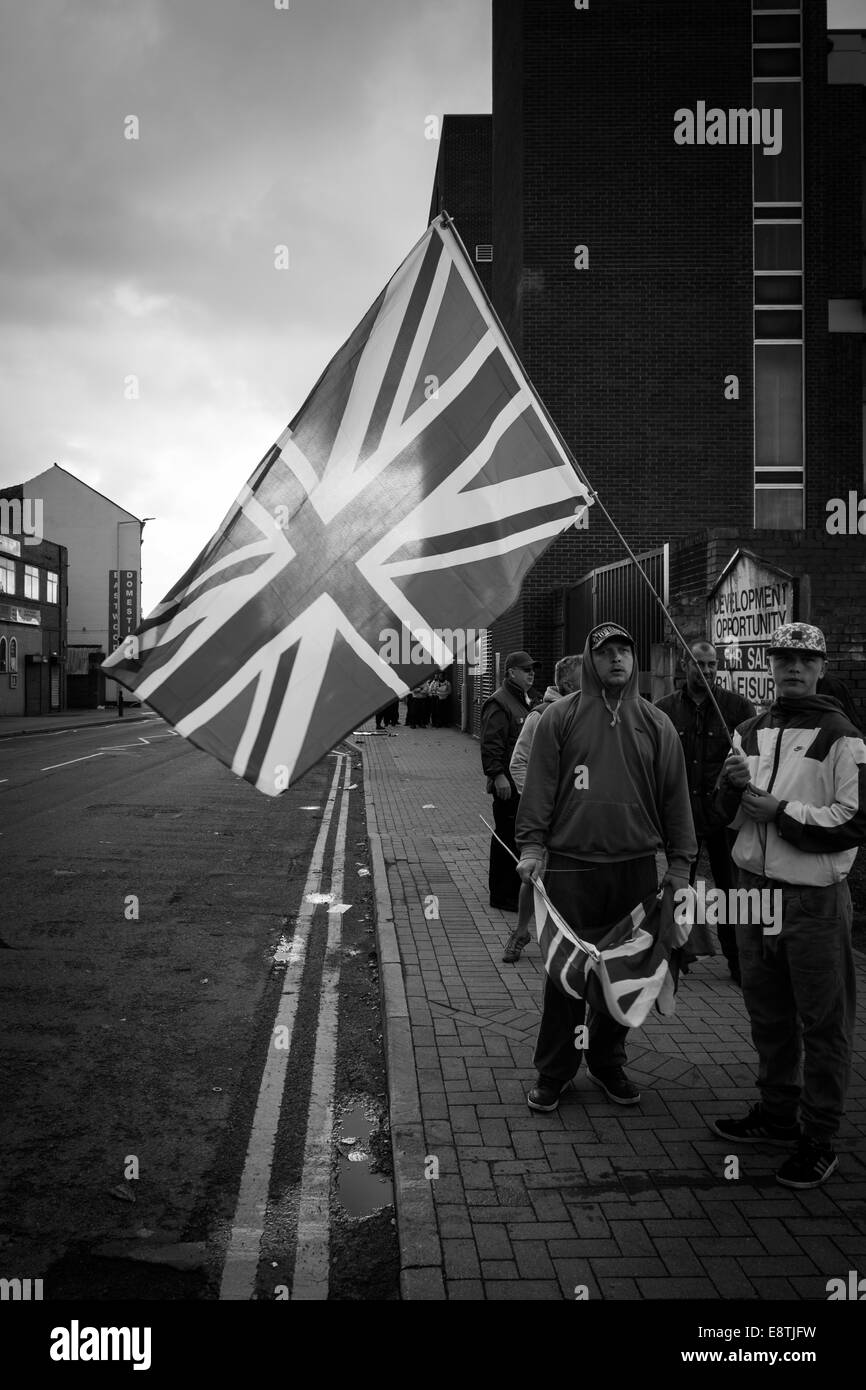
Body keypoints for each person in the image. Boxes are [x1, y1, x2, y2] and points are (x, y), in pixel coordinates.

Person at [709, 623, 866, 1188]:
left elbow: (856, 821)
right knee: (768, 1012)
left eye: (804, 659)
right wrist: (729, 789)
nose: (792, 668)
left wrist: (781, 812)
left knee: (823, 1022)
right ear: (769, 665)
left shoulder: (842, 736)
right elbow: (725, 816)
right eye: (782, 659)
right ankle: (777, 1115)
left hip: (814, 901)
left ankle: (818, 1136)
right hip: (752, 894)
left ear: (821, 667)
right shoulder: (747, 729)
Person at [515, 622, 696, 1111]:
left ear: (634, 661)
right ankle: (555, 1071)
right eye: (605, 652)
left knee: (627, 974)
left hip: (636, 871)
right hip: (572, 869)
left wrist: (680, 866)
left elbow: (677, 800)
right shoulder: (560, 716)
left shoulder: (657, 724)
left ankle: (607, 1062)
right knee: (567, 977)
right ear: (589, 661)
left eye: (624, 651)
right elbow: (539, 789)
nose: (616, 659)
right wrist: (531, 848)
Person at [656, 640, 755, 984]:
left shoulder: (737, 707)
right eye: (700, 664)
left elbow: (752, 759)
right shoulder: (665, 709)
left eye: (712, 664)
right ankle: (674, 955)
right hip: (682, 815)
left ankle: (739, 961)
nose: (708, 671)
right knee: (679, 888)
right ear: (685, 665)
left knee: (731, 892)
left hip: (724, 815)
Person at [501, 654, 582, 963]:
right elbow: (518, 764)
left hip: (577, 815)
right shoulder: (541, 715)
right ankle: (521, 932)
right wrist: (539, 801)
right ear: (567, 684)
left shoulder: (586, 713)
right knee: (534, 875)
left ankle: (568, 936)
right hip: (549, 814)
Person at [480, 651, 540, 912]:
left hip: (523, 783)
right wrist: (497, 775)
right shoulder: (499, 702)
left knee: (518, 838)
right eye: (525, 669)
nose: (531, 673)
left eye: (533, 669)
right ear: (511, 672)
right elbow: (491, 743)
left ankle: (516, 892)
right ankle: (502, 896)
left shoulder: (529, 700)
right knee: (505, 837)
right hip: (507, 785)